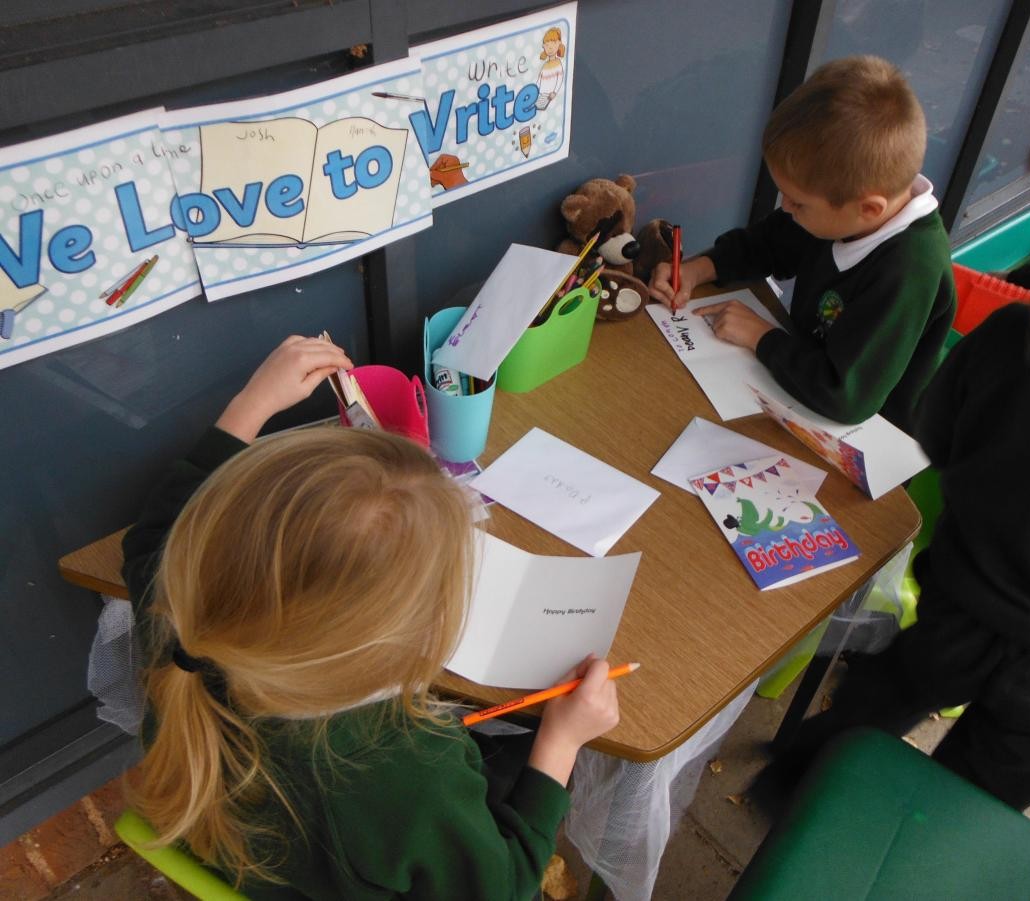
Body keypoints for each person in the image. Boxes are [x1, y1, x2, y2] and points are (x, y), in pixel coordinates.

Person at [769, 46, 1030, 811]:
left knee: (851, 731)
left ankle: (791, 796)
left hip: (952, 613)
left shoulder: (1014, 345)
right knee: (958, 812)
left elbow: (939, 442)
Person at [122, 336, 620, 898]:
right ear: (389, 634)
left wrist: (251, 404)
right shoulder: (409, 775)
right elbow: (500, 889)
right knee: (523, 745)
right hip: (341, 855)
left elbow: (155, 531)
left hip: (261, 850)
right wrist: (561, 743)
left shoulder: (184, 613)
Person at [649, 55, 955, 432]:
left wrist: (762, 337)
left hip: (867, 435)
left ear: (869, 209)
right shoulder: (844, 204)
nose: (785, 207)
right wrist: (698, 269)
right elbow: (770, 243)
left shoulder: (909, 271)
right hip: (796, 382)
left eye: (798, 202)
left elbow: (845, 395)